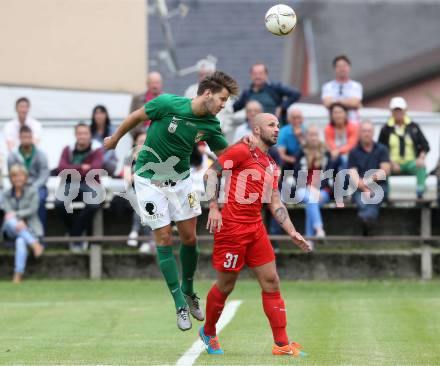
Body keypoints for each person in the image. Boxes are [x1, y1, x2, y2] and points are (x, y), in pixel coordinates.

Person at [104, 71, 244, 331]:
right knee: (165, 239)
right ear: (207, 93)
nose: (224, 105)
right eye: (222, 99)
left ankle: (189, 290)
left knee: (190, 239)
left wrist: (244, 156)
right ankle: (179, 303)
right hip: (149, 180)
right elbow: (136, 117)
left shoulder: (211, 125)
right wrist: (115, 139)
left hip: (181, 181)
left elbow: (225, 155)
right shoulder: (168, 103)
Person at [200, 113, 311, 357]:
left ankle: (281, 344)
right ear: (257, 130)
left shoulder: (272, 164)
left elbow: (274, 200)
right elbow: (210, 174)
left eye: (278, 125)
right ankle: (208, 331)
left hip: (255, 228)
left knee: (272, 281)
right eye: (271, 125)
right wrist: (214, 208)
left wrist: (292, 231)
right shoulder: (241, 150)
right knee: (226, 285)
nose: (277, 129)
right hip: (231, 228)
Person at [55, 123, 104, 252]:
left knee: (94, 204)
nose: (82, 136)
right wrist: (82, 167)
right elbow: (61, 168)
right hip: (70, 183)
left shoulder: (97, 149)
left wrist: (73, 170)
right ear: (76, 135)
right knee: (59, 203)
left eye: (85, 133)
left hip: (90, 183)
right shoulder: (68, 149)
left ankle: (74, 234)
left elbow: (94, 169)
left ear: (90, 135)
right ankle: (78, 234)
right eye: (80, 133)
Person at [378, 97, 429, 198]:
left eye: (400, 110)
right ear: (391, 112)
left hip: (410, 163)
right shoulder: (386, 128)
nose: (398, 113)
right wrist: (390, 162)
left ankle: (420, 191)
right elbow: (380, 149)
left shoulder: (413, 126)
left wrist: (421, 158)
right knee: (384, 169)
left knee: (421, 166)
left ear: (405, 110)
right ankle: (386, 195)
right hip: (392, 163)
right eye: (395, 110)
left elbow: (425, 145)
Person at [295, 125, 340, 240]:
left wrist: (318, 190)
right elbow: (296, 175)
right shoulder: (301, 153)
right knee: (311, 198)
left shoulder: (326, 153)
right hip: (303, 189)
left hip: (322, 191)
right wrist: (310, 188)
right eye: (311, 135)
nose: (313, 138)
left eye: (316, 135)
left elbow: (329, 175)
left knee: (311, 202)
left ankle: (310, 241)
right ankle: (319, 229)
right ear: (306, 137)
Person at [2, 165, 44, 283]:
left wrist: (17, 216)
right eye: (14, 176)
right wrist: (17, 219)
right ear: (10, 178)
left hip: (30, 227)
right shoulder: (6, 194)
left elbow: (33, 209)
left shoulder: (33, 191)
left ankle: (18, 274)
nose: (17, 179)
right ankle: (34, 244)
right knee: (10, 220)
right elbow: (8, 212)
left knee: (21, 241)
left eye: (20, 175)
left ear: (25, 177)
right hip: (10, 229)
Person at [349, 121, 390, 235]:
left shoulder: (382, 149)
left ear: (373, 133)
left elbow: (385, 171)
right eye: (364, 131)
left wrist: (367, 181)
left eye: (369, 131)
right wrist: (364, 187)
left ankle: (365, 218)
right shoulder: (353, 152)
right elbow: (352, 173)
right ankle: (368, 220)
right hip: (359, 187)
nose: (366, 133)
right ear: (360, 133)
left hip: (379, 186)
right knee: (363, 201)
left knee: (371, 199)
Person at [7, 126, 50, 232]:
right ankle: (16, 234)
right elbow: (11, 173)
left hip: (37, 186)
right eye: (24, 137)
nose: (26, 139)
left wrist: (34, 187)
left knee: (39, 200)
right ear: (19, 138)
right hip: (19, 186)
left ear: (32, 137)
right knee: (11, 201)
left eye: (28, 136)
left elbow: (44, 174)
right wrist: (20, 186)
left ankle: (39, 234)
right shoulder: (13, 155)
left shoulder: (40, 155)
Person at [233, 63, 301, 123]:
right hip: (254, 130)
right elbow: (234, 108)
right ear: (251, 75)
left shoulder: (275, 88)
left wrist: (282, 107)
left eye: (260, 73)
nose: (257, 76)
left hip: (276, 129)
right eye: (255, 74)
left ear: (266, 75)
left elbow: (295, 93)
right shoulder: (247, 93)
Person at [185, 59, 235, 141]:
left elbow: (229, 116)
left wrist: (219, 130)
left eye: (207, 74)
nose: (204, 77)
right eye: (201, 75)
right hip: (194, 137)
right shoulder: (190, 91)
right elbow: (186, 112)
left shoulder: (224, 92)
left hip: (217, 135)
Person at [124, 131, 154, 253]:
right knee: (142, 201)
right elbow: (128, 179)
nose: (142, 144)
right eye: (140, 141)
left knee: (144, 201)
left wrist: (136, 176)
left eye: (145, 141)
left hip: (150, 191)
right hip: (133, 190)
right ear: (135, 142)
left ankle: (135, 232)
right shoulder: (129, 157)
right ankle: (148, 241)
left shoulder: (153, 157)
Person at [321, 55, 363, 122]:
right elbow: (327, 103)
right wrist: (349, 103)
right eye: (339, 66)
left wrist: (335, 102)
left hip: (353, 123)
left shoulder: (356, 86)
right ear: (335, 68)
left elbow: (355, 102)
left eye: (344, 66)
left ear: (349, 68)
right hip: (333, 125)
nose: (342, 69)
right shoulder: (327, 86)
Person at [324, 102, 359, 170]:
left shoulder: (353, 127)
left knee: (345, 159)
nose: (338, 115)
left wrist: (338, 151)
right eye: (335, 113)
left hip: (350, 156)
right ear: (331, 115)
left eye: (340, 112)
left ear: (345, 114)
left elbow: (351, 145)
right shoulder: (328, 129)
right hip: (334, 156)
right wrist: (336, 152)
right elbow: (330, 144)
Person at [90, 105, 118, 176]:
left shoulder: (112, 130)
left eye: (101, 113)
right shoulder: (90, 130)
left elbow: (111, 150)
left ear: (106, 115)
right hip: (93, 161)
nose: (99, 116)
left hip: (107, 162)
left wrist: (99, 160)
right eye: (96, 113)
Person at [277, 106, 306, 171]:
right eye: (294, 118)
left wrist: (300, 137)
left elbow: (309, 151)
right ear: (289, 119)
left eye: (299, 118)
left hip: (304, 159)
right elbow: (281, 154)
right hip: (289, 159)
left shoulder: (306, 130)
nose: (296, 120)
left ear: (302, 119)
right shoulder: (283, 132)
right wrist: (294, 160)